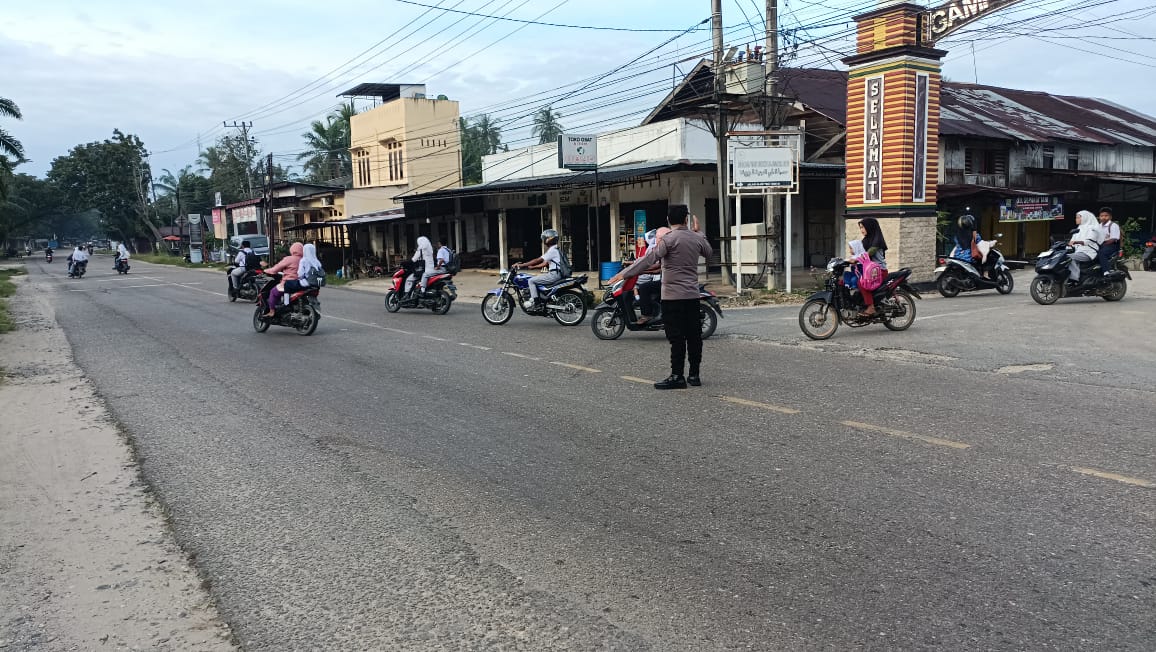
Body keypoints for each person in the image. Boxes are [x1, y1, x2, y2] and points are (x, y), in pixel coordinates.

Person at [609, 205, 712, 390]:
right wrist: (699, 233)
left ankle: (677, 376)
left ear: (668, 220)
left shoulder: (668, 239)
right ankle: (694, 375)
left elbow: (649, 260)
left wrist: (624, 274)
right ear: (686, 220)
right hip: (691, 295)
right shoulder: (696, 238)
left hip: (672, 297)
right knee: (694, 336)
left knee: (676, 337)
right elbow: (708, 253)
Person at [513, 229, 565, 310]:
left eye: (544, 239)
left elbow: (537, 260)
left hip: (554, 275)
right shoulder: (556, 249)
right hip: (557, 274)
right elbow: (545, 263)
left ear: (548, 239)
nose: (543, 241)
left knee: (531, 281)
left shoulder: (552, 251)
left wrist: (522, 265)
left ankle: (536, 302)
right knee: (537, 280)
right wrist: (534, 267)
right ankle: (542, 299)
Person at [635, 227, 671, 324]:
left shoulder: (666, 251)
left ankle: (646, 314)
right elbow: (657, 265)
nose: (656, 240)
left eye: (659, 239)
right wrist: (642, 270)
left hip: (669, 283)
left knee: (644, 287)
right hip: (666, 280)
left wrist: (643, 271)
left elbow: (658, 268)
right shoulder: (662, 250)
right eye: (657, 238)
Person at [856, 217, 888, 317]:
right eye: (860, 228)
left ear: (870, 227)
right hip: (870, 271)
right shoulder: (866, 240)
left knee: (862, 283)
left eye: (863, 227)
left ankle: (871, 307)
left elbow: (868, 253)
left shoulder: (877, 241)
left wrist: (856, 259)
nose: (861, 230)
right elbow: (858, 252)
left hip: (879, 272)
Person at [262, 242, 304, 317]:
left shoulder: (289, 259)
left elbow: (276, 269)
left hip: (288, 283)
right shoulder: (304, 260)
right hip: (301, 284)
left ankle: (272, 311)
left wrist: (266, 271)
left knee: (273, 292)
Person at [1067, 210, 1101, 284]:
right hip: (1079, 252)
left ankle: (1074, 278)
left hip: (1088, 252)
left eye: (1078, 217)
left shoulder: (1093, 228)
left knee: (1068, 258)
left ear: (1085, 218)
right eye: (1076, 217)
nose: (1076, 219)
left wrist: (1076, 242)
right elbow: (1072, 242)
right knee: (1063, 257)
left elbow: (1089, 241)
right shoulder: (1079, 229)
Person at [1097, 206, 1121, 275]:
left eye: (1106, 216)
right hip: (1101, 244)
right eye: (1101, 216)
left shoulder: (1113, 225)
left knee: (1102, 252)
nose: (1103, 217)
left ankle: (1106, 271)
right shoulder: (1099, 226)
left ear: (1110, 217)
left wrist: (1102, 245)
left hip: (1112, 245)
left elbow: (1113, 239)